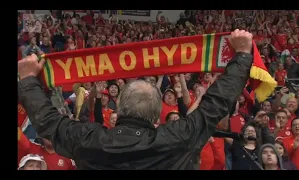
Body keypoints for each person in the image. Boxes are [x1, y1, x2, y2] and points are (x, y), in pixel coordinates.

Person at [18, 29, 253, 170]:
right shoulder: (178, 137)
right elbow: (216, 104)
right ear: (155, 118)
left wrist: (29, 79)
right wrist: (242, 56)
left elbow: (48, 122)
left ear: (118, 110)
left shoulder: (89, 139)